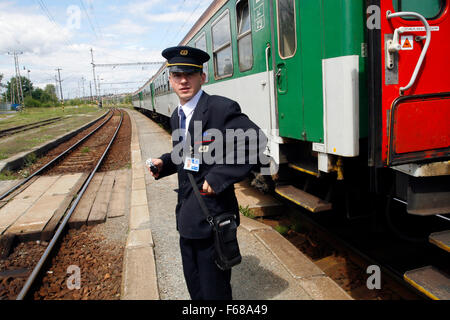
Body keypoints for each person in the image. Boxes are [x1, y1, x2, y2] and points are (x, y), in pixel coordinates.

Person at [148, 46, 265, 300]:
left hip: (212, 218)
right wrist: (164, 163)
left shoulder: (220, 109)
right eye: (177, 75)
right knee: (196, 288)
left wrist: (219, 176)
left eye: (190, 74)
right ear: (170, 80)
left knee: (215, 292)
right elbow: (185, 154)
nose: (183, 80)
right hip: (187, 218)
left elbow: (256, 141)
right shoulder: (177, 116)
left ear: (203, 77)